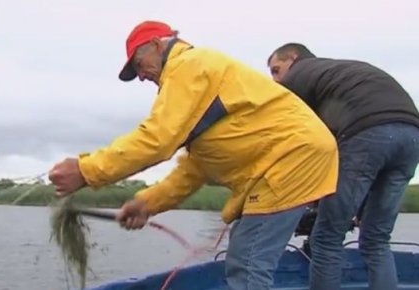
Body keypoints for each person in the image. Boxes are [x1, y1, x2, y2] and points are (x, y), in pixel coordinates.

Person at [48, 21, 339, 290]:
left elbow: (157, 139)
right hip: (287, 163)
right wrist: (146, 203)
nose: (140, 76)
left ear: (158, 46)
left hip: (291, 159)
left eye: (139, 64)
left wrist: (86, 170)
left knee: (247, 264)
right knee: (244, 257)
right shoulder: (192, 91)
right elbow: (194, 169)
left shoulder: (189, 65)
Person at [267, 43, 419, 290]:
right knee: (376, 239)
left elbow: (291, 136)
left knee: (326, 239)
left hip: (367, 134)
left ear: (293, 59)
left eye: (276, 70)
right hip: (411, 137)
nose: (275, 81)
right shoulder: (339, 75)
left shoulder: (299, 74)